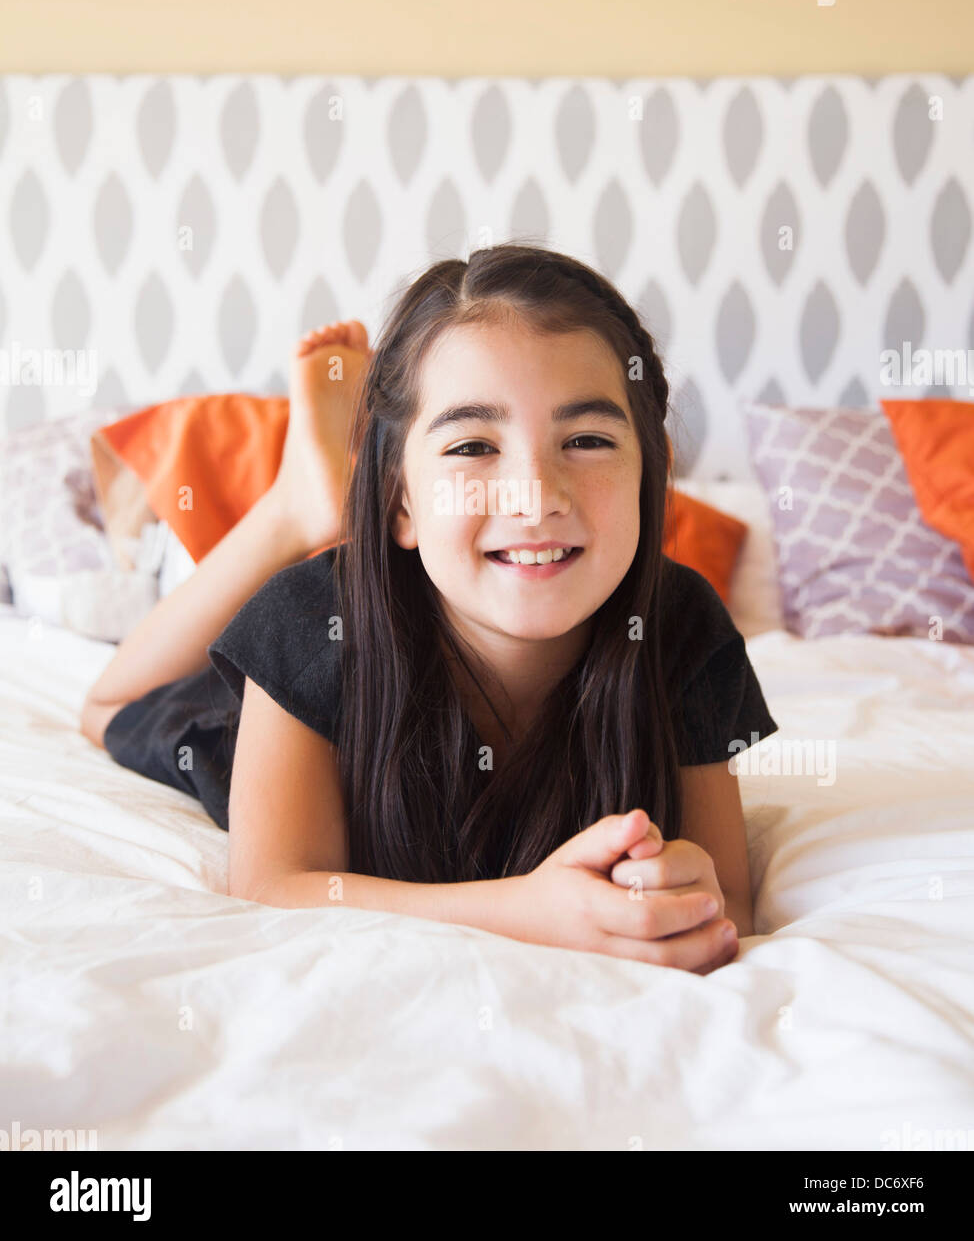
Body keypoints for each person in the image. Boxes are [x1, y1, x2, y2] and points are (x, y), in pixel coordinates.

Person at [81, 242, 778, 973]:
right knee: (108, 708)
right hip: (268, 727)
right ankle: (294, 508)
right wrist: (528, 913)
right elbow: (271, 888)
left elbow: (729, 897)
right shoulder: (315, 623)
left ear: (648, 478)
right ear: (401, 502)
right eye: (474, 445)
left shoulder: (682, 627)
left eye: (587, 440)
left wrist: (686, 893)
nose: (536, 496)